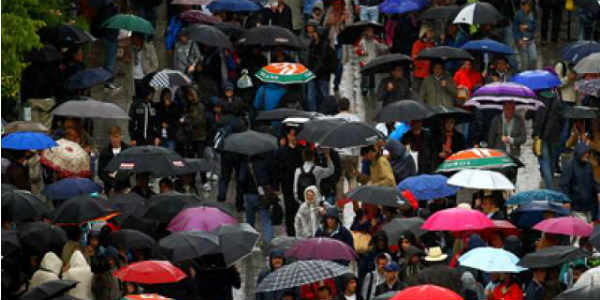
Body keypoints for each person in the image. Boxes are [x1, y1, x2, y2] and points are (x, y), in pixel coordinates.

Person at [275, 127, 305, 236]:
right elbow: (277, 169)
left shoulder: (302, 150)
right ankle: (291, 233)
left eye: (295, 135)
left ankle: (299, 231)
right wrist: (276, 186)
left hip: (301, 186)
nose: (293, 138)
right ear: (288, 136)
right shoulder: (281, 152)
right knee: (289, 210)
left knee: (300, 209)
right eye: (291, 135)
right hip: (287, 185)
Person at [533, 89, 565, 190]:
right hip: (554, 135)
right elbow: (562, 118)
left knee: (544, 161)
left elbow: (531, 116)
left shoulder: (537, 99)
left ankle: (550, 188)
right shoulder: (557, 99)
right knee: (551, 159)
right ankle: (549, 182)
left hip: (541, 135)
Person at [240, 153, 274, 243]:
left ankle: (250, 242)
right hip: (263, 195)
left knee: (250, 221)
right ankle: (269, 242)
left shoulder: (246, 164)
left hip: (249, 194)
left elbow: (241, 179)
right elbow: (271, 176)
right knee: (266, 221)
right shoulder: (265, 162)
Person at [560, 143, 597, 222]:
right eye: (585, 153)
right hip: (577, 205)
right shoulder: (570, 166)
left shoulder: (588, 165)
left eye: (588, 153)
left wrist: (598, 191)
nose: (587, 155)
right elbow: (564, 185)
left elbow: (592, 182)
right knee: (582, 229)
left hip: (589, 205)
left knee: (587, 230)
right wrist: (566, 201)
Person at [306, 21, 335, 112]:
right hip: (313, 74)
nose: (313, 35)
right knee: (312, 96)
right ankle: (313, 112)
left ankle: (325, 112)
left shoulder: (325, 46)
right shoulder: (312, 44)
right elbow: (310, 58)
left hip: (322, 76)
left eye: (315, 33)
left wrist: (313, 72)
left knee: (323, 95)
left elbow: (322, 61)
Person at [98, 126, 129, 194]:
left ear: (120, 136)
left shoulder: (127, 151)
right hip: (109, 188)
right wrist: (111, 182)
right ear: (109, 137)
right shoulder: (104, 152)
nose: (114, 139)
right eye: (112, 137)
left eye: (116, 136)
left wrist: (121, 174)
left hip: (124, 186)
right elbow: (100, 172)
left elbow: (131, 168)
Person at [130, 32, 158, 97]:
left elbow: (155, 65)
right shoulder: (130, 48)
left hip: (144, 79)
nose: (133, 40)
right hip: (132, 80)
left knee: (144, 98)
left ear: (141, 39)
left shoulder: (149, 48)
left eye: (135, 38)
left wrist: (147, 74)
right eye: (133, 38)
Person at [513, 0, 537, 70]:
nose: (527, 7)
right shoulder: (518, 15)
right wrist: (518, 39)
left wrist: (527, 26)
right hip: (522, 40)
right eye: (526, 5)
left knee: (534, 58)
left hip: (531, 40)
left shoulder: (532, 14)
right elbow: (515, 29)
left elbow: (534, 26)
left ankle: (531, 73)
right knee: (525, 61)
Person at [411, 25, 435, 89]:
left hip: (429, 74)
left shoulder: (432, 44)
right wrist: (425, 63)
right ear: (424, 32)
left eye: (432, 31)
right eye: (429, 31)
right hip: (419, 74)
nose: (432, 33)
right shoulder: (417, 43)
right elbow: (414, 58)